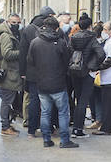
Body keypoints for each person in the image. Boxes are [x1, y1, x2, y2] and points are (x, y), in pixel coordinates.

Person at [26, 14, 75, 148]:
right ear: (56, 28)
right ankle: (65, 140)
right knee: (63, 112)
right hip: (58, 83)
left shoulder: (35, 42)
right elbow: (66, 61)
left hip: (41, 83)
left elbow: (30, 61)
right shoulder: (60, 43)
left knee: (45, 112)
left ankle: (46, 139)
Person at [67, 15, 105, 138]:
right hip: (87, 73)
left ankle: (75, 129)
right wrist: (92, 66)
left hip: (75, 70)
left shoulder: (73, 37)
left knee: (78, 100)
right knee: (83, 101)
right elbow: (101, 54)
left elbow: (69, 52)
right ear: (89, 26)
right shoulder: (92, 38)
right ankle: (78, 129)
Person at [20, 7, 52, 136]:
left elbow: (22, 52)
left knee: (33, 100)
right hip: (48, 72)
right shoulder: (52, 29)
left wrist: (23, 71)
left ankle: (32, 129)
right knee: (48, 100)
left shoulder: (28, 29)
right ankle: (47, 128)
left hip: (32, 72)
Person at [0, 19, 23, 136]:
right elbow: (6, 54)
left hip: (9, 73)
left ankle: (6, 125)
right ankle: (5, 127)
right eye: (14, 22)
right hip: (8, 74)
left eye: (18, 22)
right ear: (8, 22)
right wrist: (22, 52)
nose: (16, 25)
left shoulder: (10, 34)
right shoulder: (6, 36)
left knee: (8, 100)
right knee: (6, 101)